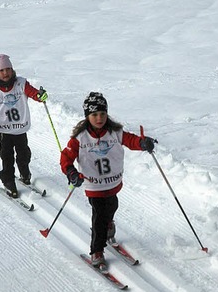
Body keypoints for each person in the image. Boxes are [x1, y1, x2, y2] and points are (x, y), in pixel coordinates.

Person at [60, 92, 157, 268]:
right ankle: (97, 251)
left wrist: (142, 143)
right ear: (87, 116)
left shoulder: (114, 132)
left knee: (112, 206)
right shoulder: (80, 138)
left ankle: (109, 225)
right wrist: (71, 172)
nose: (99, 118)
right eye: (94, 114)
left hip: (112, 182)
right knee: (99, 217)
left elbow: (130, 140)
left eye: (103, 114)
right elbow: (66, 157)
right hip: (93, 184)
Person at [0, 53, 48, 198]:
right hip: (4, 130)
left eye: (8, 69)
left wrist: (39, 96)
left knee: (24, 154)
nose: (6, 73)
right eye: (2, 70)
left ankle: (24, 173)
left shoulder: (20, 83)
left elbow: (33, 93)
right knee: (7, 156)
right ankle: (9, 181)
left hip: (20, 128)